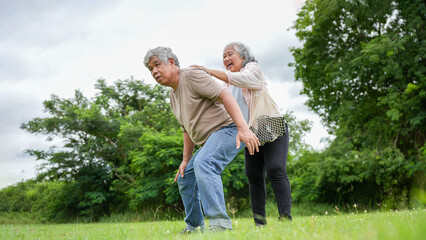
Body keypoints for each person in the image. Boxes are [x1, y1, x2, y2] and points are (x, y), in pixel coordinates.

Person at [143, 47, 260, 233]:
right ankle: (194, 226)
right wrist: (186, 159)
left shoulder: (191, 76)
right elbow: (186, 128)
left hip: (227, 130)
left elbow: (225, 95)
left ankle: (220, 224)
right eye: (150, 69)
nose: (154, 71)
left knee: (205, 163)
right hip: (209, 139)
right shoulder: (172, 95)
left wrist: (242, 128)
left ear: (172, 62)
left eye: (157, 65)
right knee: (186, 175)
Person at [191, 42, 292, 226]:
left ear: (243, 57)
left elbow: (240, 79)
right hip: (251, 133)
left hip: (270, 126)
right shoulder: (226, 86)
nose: (226, 59)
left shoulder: (253, 69)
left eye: (230, 54)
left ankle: (285, 218)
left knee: (275, 168)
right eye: (224, 56)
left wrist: (208, 71)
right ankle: (260, 223)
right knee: (253, 174)